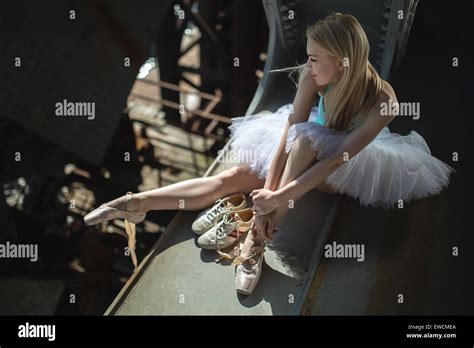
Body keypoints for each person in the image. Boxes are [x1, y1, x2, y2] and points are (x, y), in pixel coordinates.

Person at [84, 12, 454, 295]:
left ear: (341, 61)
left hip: (343, 168)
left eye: (313, 58)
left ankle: (253, 243)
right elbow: (286, 136)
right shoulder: (313, 78)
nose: (306, 66)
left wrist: (278, 196)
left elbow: (336, 159)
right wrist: (272, 190)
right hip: (302, 148)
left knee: (308, 143)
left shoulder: (383, 102)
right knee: (233, 176)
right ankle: (134, 203)